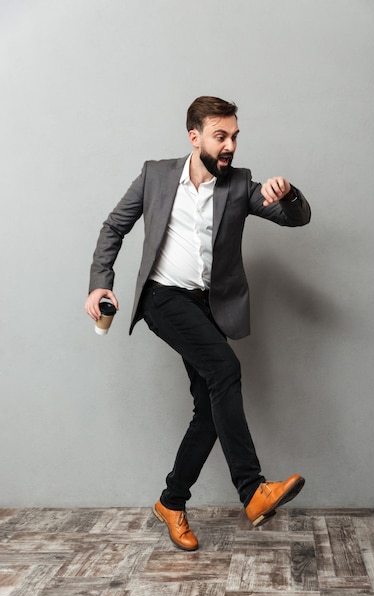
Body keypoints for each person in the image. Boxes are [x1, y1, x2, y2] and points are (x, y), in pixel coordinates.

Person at [85, 96, 311, 551]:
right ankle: (252, 490)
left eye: (234, 136)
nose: (229, 145)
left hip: (208, 307)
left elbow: (297, 219)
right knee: (225, 371)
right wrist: (99, 282)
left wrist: (289, 195)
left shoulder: (241, 184)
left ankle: (172, 501)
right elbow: (114, 226)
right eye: (220, 136)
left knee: (209, 409)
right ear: (195, 137)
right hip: (163, 298)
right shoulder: (156, 175)